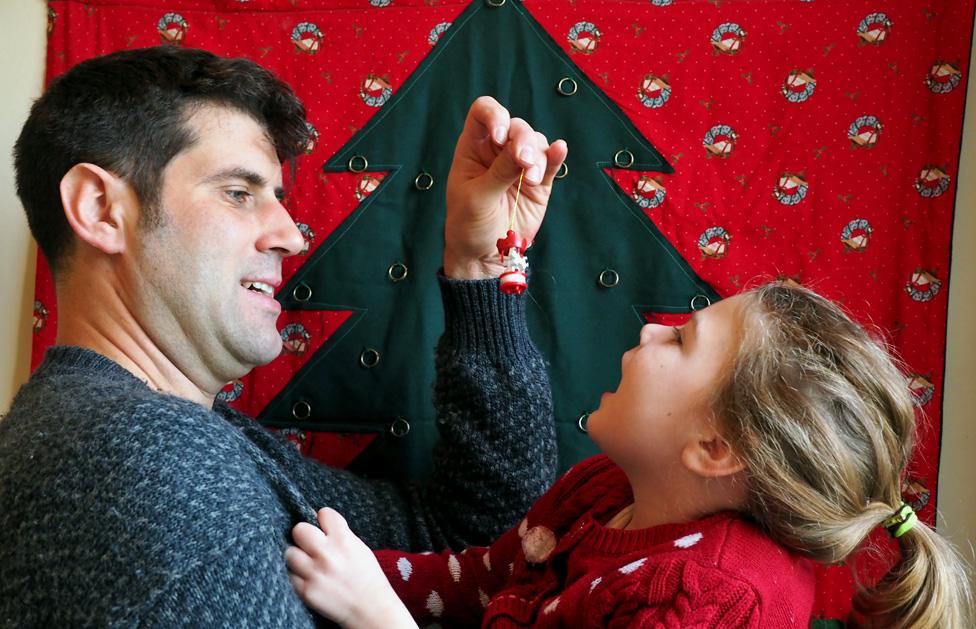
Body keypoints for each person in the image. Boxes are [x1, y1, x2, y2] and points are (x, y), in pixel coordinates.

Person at [0, 46, 568, 625]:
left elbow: (471, 547)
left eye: (277, 197)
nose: (291, 236)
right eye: (239, 193)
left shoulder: (173, 437)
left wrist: (480, 265)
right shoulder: (138, 454)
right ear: (100, 209)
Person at [287, 283, 975, 628]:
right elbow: (481, 580)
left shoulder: (705, 602)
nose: (649, 328)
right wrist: (347, 563)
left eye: (680, 341)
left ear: (714, 447)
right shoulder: (608, 489)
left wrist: (380, 616)